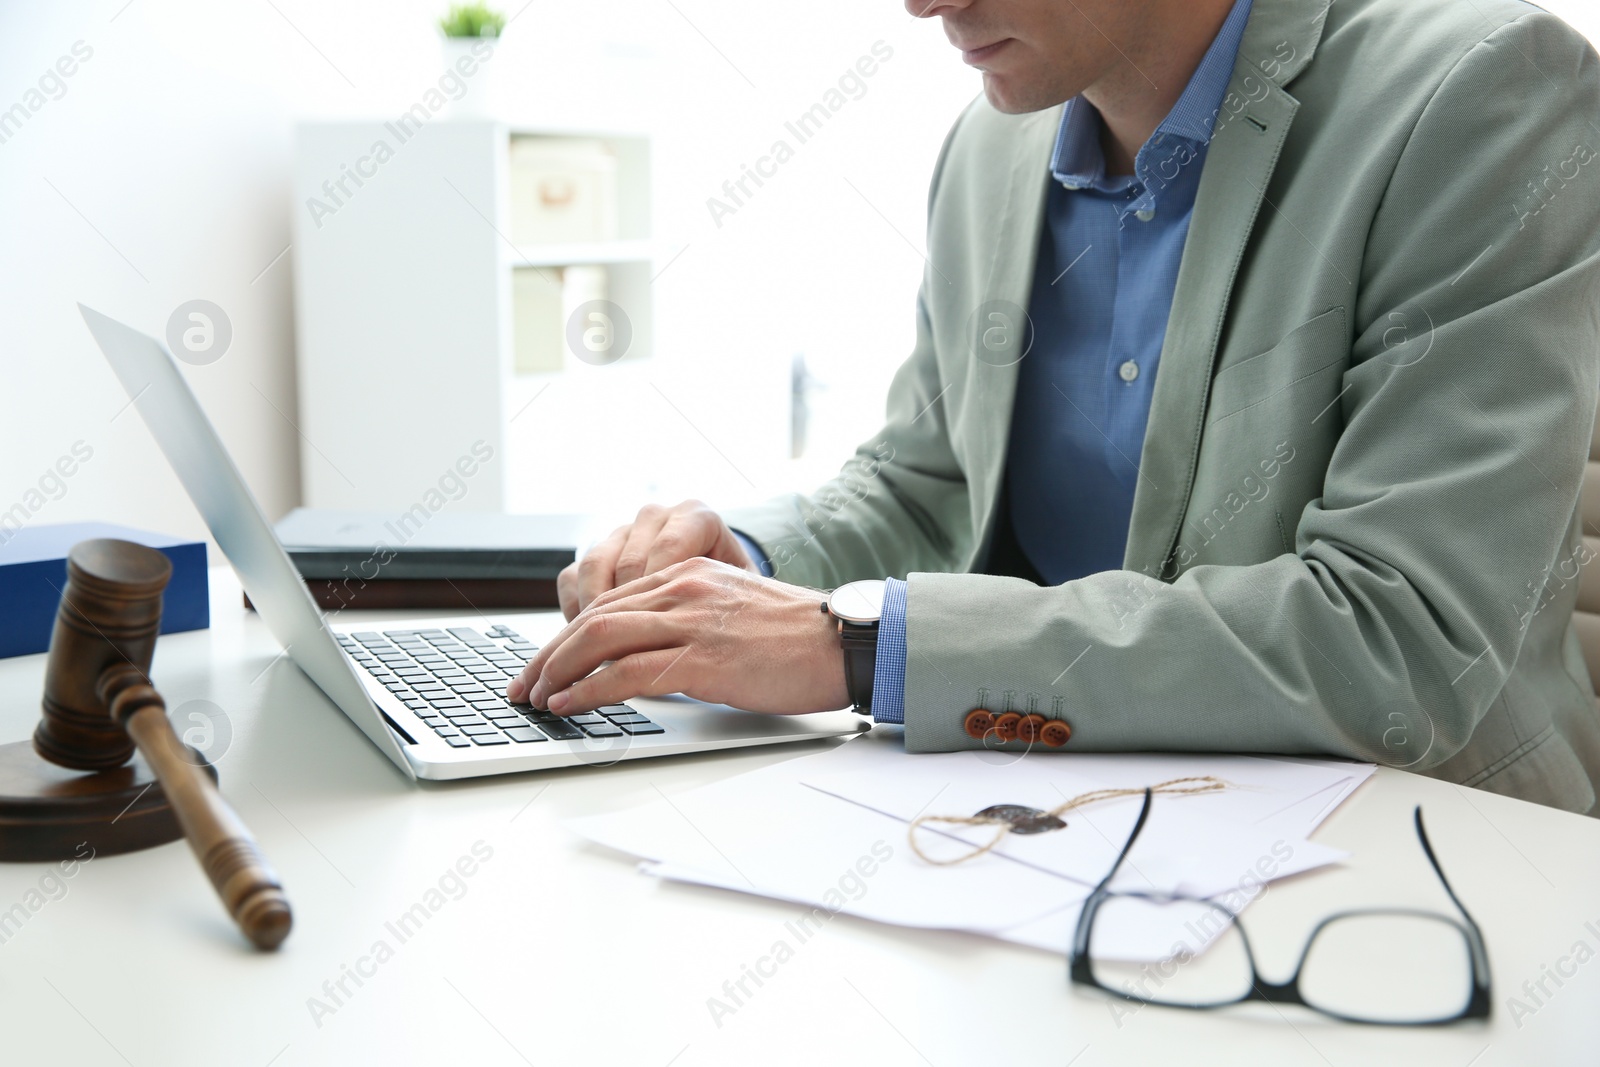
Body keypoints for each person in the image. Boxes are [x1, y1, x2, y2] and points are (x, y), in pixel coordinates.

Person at [509, 0, 1600, 814]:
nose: (922, 2)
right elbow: (931, 477)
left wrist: (860, 647)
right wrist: (746, 561)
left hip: (1425, 861)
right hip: (1083, 834)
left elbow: (1395, 640)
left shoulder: (1482, 94)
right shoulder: (994, 141)